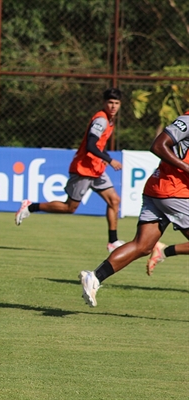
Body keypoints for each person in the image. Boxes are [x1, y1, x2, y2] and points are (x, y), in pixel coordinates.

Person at [79, 111, 189, 307]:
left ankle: (94, 277)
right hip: (173, 191)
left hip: (159, 190)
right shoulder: (187, 120)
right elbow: (158, 145)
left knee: (143, 245)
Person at [15, 88, 125, 253]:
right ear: (104, 103)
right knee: (69, 208)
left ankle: (113, 241)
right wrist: (110, 160)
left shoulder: (110, 120)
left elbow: (99, 146)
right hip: (84, 169)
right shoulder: (101, 120)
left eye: (116, 103)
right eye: (110, 102)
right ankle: (31, 206)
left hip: (96, 169)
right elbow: (90, 145)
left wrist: (105, 160)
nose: (113, 106)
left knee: (114, 200)